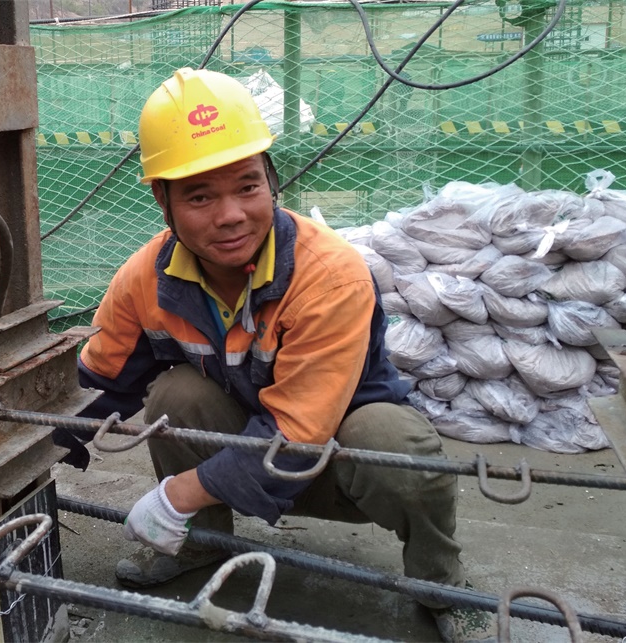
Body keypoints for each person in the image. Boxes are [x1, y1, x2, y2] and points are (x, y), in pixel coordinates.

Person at [73, 67, 495, 642]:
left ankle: (442, 584)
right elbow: (101, 384)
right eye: (200, 195)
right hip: (245, 442)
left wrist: (176, 494)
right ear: (162, 200)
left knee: (394, 439)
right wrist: (32, 446)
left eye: (248, 186)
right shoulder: (146, 277)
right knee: (176, 394)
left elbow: (299, 431)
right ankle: (200, 544)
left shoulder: (329, 275)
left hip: (340, 460)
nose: (230, 214)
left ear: (271, 180)